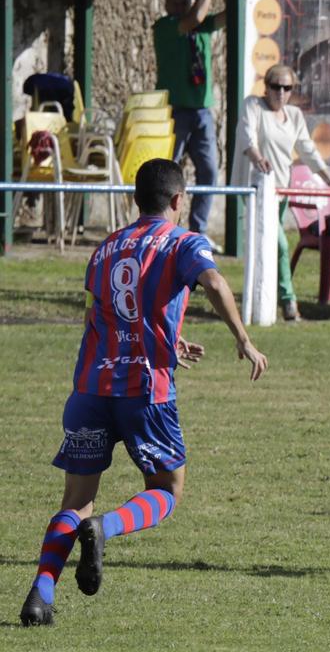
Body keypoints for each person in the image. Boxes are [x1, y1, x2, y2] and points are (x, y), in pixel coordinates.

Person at [21, 159, 267, 626]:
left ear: (136, 200)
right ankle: (105, 528)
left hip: (90, 388)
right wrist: (243, 337)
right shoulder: (183, 240)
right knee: (167, 489)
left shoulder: (107, 246)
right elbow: (212, 281)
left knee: (74, 500)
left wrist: (168, 339)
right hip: (145, 391)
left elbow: (107, 314)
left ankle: (40, 595)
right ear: (179, 200)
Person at [234, 64, 330, 322]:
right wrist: (257, 157)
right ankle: (289, 302)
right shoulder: (253, 105)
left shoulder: (295, 115)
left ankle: (266, 300)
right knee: (282, 245)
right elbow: (246, 135)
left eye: (287, 88)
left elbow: (308, 151)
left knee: (272, 247)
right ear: (267, 87)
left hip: (280, 190)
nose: (281, 93)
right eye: (276, 87)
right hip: (257, 189)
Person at [151, 0, 226, 235]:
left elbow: (231, 14)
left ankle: (198, 230)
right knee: (167, 172)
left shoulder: (202, 27)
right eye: (177, 2)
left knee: (209, 173)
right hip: (175, 110)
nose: (182, 6)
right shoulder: (165, 27)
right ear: (167, 5)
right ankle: (162, 227)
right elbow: (191, 20)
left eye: (187, 2)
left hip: (202, 111)